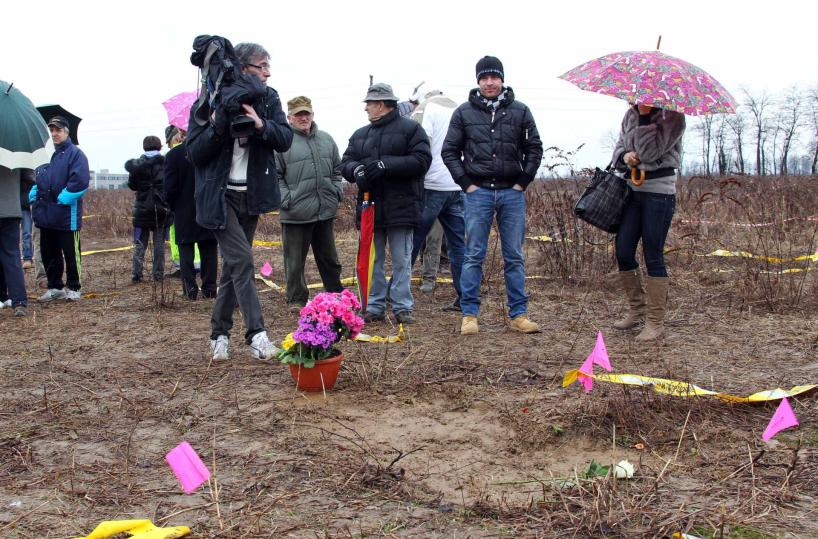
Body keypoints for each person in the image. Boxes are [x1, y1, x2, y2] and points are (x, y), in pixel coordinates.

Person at [186, 41, 293, 361]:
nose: (267, 74)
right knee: (244, 262)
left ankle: (218, 335)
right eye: (262, 67)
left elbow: (285, 138)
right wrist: (219, 123)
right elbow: (193, 152)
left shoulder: (269, 99)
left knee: (233, 267)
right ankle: (257, 336)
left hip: (252, 195)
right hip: (220, 197)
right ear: (243, 67)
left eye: (269, 68)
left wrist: (261, 125)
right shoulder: (208, 101)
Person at [442, 56, 543, 335]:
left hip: (512, 193)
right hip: (478, 194)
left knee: (514, 255)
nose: (489, 83)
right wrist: (465, 183)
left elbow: (534, 148)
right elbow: (449, 151)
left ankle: (519, 315)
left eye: (494, 77)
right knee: (473, 254)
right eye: (484, 78)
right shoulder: (463, 113)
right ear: (478, 81)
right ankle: (469, 314)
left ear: (502, 79)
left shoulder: (521, 111)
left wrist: (523, 181)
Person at [341, 83, 431, 324]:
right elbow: (346, 162)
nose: (366, 109)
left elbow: (422, 161)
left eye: (369, 104)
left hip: (401, 207)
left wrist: (386, 165)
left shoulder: (412, 130)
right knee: (374, 260)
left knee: (402, 259)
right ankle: (374, 306)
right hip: (370, 208)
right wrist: (356, 170)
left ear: (381, 104)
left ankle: (402, 307)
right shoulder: (360, 134)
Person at [610, 104, 685, 341]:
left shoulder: (673, 117)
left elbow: (650, 152)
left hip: (660, 192)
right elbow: (619, 150)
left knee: (653, 252)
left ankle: (655, 321)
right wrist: (625, 156)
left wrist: (644, 118)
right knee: (623, 249)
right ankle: (637, 310)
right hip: (632, 190)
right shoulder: (630, 114)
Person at [276, 96, 344, 310]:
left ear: (313, 114)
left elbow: (337, 170)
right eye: (298, 114)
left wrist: (335, 192)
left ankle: (336, 295)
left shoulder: (326, 139)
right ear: (290, 117)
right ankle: (296, 299)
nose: (303, 117)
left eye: (306, 113)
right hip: (295, 213)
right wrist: (287, 199)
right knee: (294, 263)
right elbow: (274, 178)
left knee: (330, 259)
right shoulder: (282, 142)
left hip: (324, 210)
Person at [409, 89, 466, 311]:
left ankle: (396, 295)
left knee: (412, 241)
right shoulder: (459, 107)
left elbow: (421, 146)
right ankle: (465, 297)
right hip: (456, 184)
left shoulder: (427, 108)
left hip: (432, 185)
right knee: (458, 246)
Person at [30, 116, 89, 302]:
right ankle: (54, 286)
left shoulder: (76, 154)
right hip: (46, 215)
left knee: (71, 254)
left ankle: (74, 286)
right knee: (49, 253)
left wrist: (65, 196)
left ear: (66, 132)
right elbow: (39, 178)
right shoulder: (46, 155)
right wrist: (34, 191)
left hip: (66, 216)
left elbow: (80, 181)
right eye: (52, 130)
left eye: (58, 130)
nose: (54, 134)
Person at [164, 126, 218, 300]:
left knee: (185, 250)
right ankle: (210, 288)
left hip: (183, 209)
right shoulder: (210, 152)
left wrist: (172, 206)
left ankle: (190, 290)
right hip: (208, 206)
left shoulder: (173, 155)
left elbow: (169, 187)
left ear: (181, 133)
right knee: (209, 249)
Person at [125, 136, 170, 282]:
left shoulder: (137, 165)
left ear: (144, 147)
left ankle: (136, 274)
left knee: (140, 243)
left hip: (142, 207)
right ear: (160, 146)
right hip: (161, 208)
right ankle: (158, 275)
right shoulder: (166, 163)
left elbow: (132, 185)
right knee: (159, 243)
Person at [0, 166, 29, 316]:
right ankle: (19, 302)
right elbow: (29, 178)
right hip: (11, 210)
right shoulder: (16, 147)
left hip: (10, 209)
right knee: (12, 257)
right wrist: (13, 193)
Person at [19, 169, 35, 269]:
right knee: (26, 233)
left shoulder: (36, 169)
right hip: (24, 206)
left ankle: (37, 258)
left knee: (38, 234)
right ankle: (27, 258)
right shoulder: (19, 171)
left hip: (36, 204)